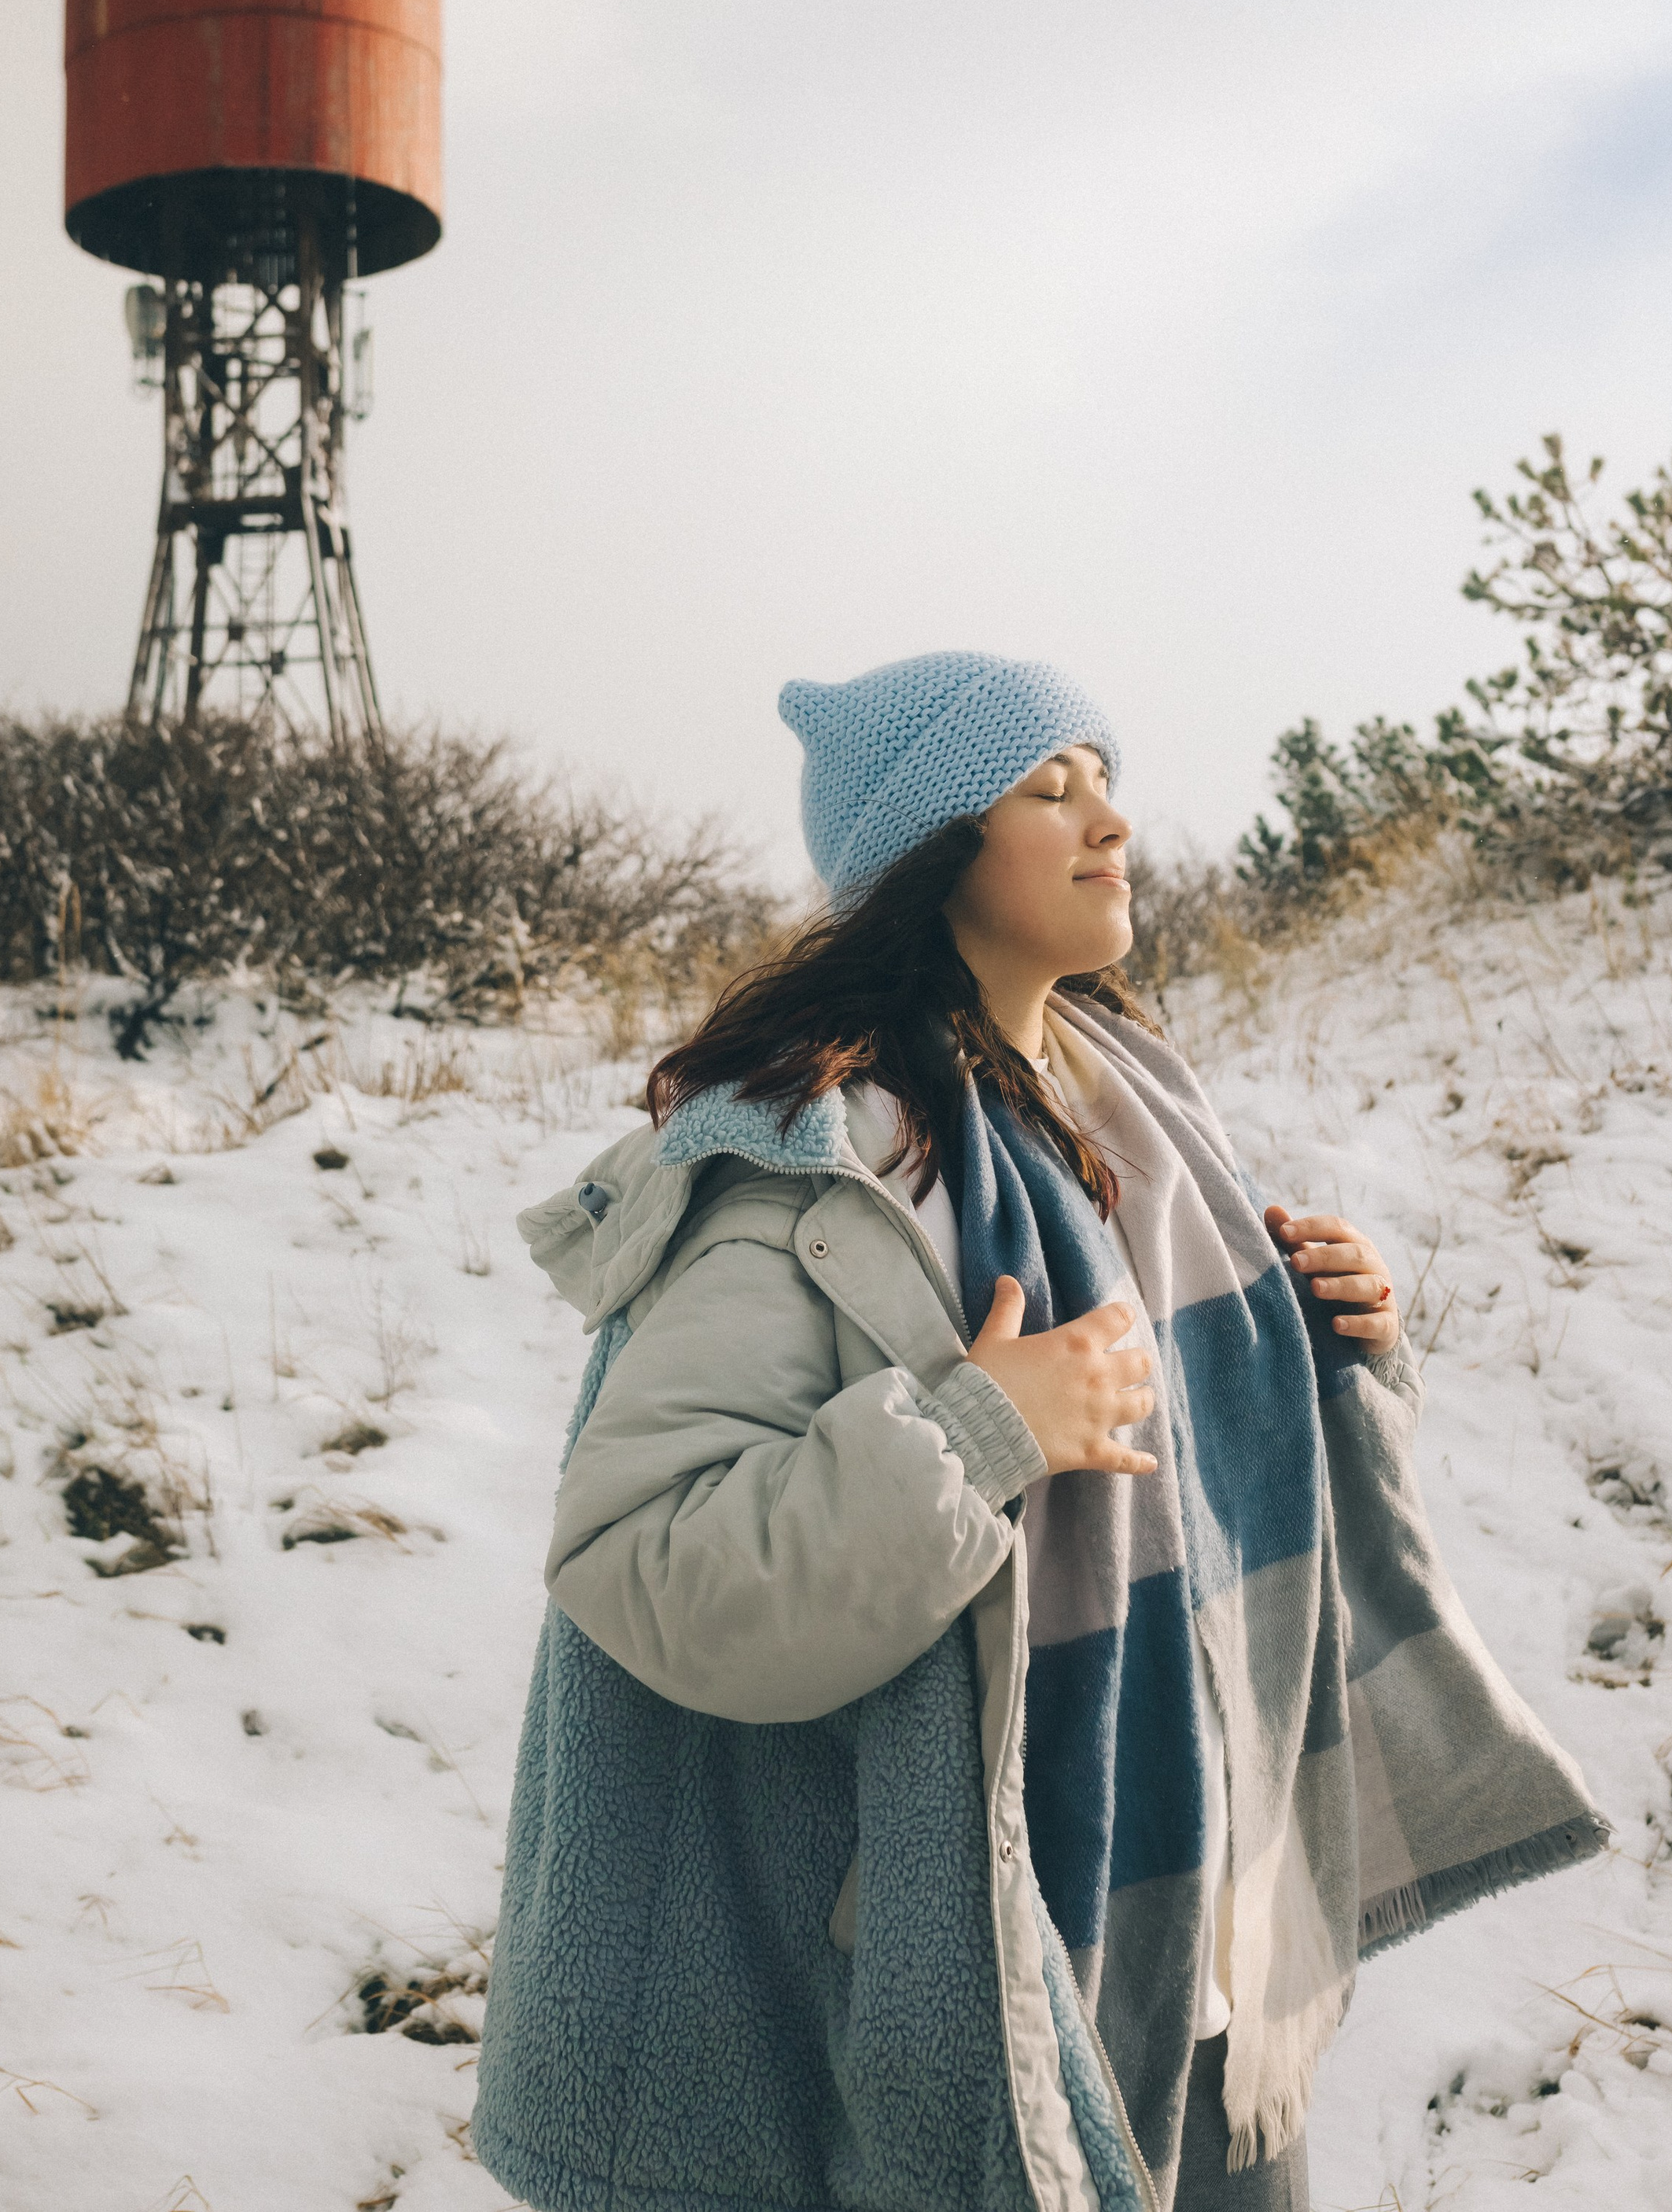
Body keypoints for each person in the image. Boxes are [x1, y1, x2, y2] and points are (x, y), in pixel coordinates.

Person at [473, 652, 1604, 2212]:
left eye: (1105, 779)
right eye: (1047, 788)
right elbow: (642, 1554)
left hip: (1195, 1936)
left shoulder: (1122, 1102)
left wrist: (1338, 1341)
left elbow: (1192, 1469)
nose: (1108, 821)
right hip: (977, 1979)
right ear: (929, 847)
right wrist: (975, 1430)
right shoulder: (820, 1170)